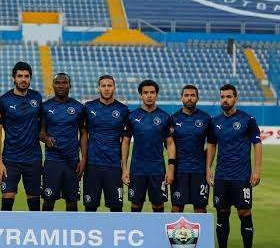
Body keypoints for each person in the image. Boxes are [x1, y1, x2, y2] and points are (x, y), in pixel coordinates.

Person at [207, 84, 262, 248]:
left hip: (241, 176)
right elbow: (212, 145)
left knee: (244, 212)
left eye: (229, 96)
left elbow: (257, 145)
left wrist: (256, 170)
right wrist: (208, 168)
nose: (225, 100)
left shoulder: (248, 120)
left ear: (236, 99)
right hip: (222, 176)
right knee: (222, 212)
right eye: (222, 97)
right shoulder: (215, 121)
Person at [0, 62, 44, 211]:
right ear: (13, 78)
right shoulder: (3, 100)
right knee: (7, 201)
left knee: (34, 204)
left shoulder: (37, 97)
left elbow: (42, 124)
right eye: (20, 76)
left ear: (30, 78)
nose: (23, 79)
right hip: (11, 159)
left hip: (33, 159)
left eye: (26, 76)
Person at [122, 79, 175, 212]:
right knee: (136, 205)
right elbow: (126, 142)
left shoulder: (165, 117)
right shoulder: (132, 116)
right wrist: (124, 169)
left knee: (158, 205)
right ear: (141, 95)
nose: (149, 95)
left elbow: (170, 144)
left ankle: (158, 227)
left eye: (152, 92)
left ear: (156, 94)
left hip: (157, 170)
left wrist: (170, 168)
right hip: (137, 169)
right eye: (145, 93)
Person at [40, 73, 87, 211]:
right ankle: (45, 226)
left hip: (72, 162)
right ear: (53, 85)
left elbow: (83, 133)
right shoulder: (45, 107)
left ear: (69, 85)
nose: (61, 85)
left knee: (72, 202)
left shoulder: (78, 107)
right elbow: (40, 132)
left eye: (64, 83)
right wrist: (46, 138)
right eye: (58, 83)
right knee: (48, 202)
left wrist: (84, 159)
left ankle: (71, 226)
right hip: (52, 161)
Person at [82, 75, 129, 212]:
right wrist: (83, 159)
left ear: (114, 88)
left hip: (113, 166)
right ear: (98, 88)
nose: (106, 89)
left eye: (109, 85)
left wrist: (124, 168)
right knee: (90, 209)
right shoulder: (88, 107)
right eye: (103, 86)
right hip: (92, 166)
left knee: (116, 209)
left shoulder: (123, 110)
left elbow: (125, 140)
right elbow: (83, 134)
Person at [169, 85, 212, 213]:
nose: (189, 98)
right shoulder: (173, 119)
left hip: (199, 171)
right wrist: (171, 167)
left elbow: (211, 144)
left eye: (192, 95)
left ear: (197, 98)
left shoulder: (206, 118)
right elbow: (169, 144)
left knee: (200, 209)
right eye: (186, 95)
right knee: (176, 208)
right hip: (179, 171)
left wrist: (207, 167)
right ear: (181, 98)